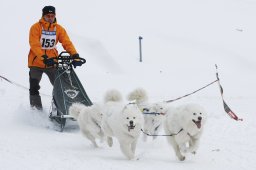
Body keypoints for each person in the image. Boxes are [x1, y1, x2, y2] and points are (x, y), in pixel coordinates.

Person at [28, 6, 82, 110]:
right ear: (43, 16)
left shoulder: (59, 29)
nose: (50, 18)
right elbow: (34, 44)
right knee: (34, 87)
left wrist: (75, 55)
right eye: (48, 16)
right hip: (36, 63)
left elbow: (66, 42)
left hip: (52, 62)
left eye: (52, 16)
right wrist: (43, 57)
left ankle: (65, 108)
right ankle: (36, 111)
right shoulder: (35, 27)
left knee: (61, 86)